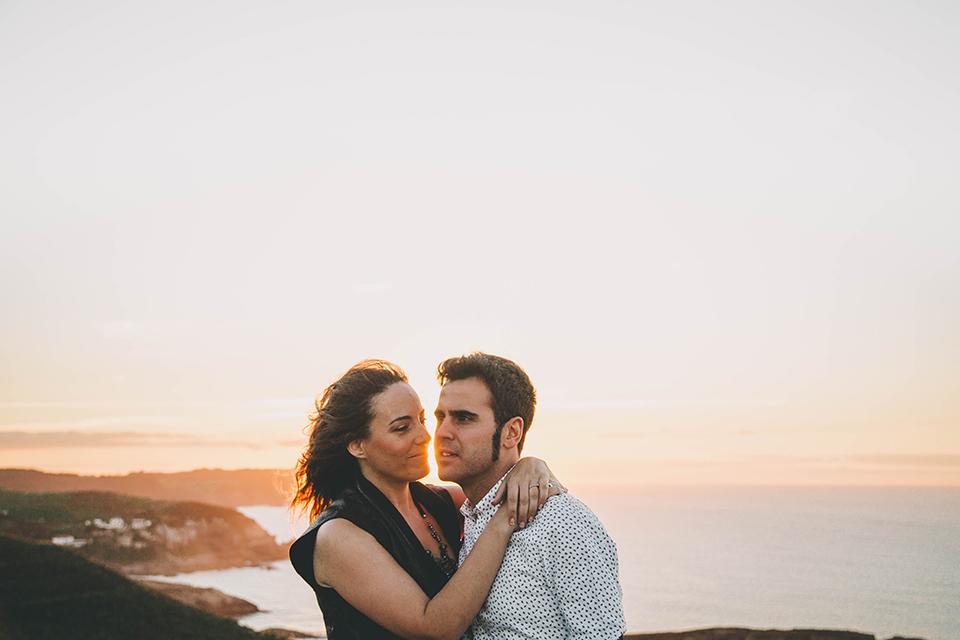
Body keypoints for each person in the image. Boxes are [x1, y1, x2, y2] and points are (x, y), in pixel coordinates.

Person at [289, 360, 563, 640]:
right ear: (358, 445)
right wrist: (504, 519)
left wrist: (531, 465)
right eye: (401, 428)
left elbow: (500, 488)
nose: (425, 436)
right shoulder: (338, 536)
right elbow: (434, 628)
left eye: (421, 420)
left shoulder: (443, 502)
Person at [434, 353, 626, 640]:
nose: (442, 432)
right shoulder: (468, 516)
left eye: (463, 418)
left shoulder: (563, 523)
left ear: (511, 432)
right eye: (440, 417)